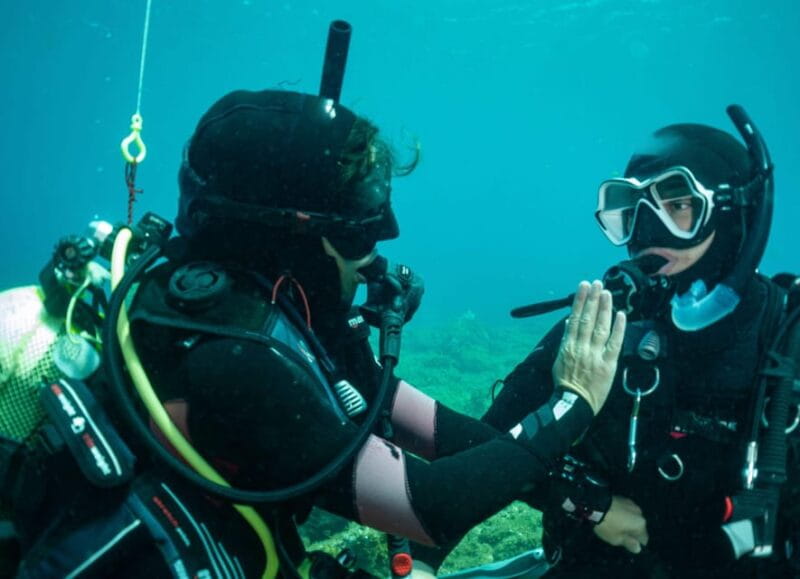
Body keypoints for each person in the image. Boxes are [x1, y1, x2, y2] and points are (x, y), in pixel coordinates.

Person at [0, 71, 628, 579]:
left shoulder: (284, 303)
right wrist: (573, 405)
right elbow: (430, 507)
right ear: (277, 236)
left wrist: (581, 500)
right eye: (358, 229)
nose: (383, 244)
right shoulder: (234, 356)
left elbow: (421, 424)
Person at [458, 105, 798, 578]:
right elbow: (480, 449)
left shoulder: (788, 339)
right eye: (630, 209)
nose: (645, 233)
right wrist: (581, 501)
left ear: (736, 215)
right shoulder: (603, 329)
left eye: (678, 206)